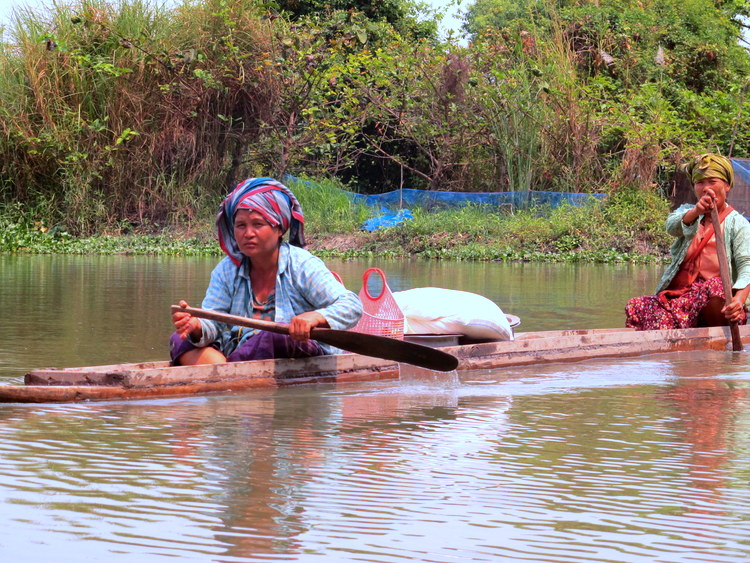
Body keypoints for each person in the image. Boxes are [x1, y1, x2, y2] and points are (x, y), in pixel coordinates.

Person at [170, 178, 363, 365]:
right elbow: (215, 323)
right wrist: (196, 326)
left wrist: (315, 317)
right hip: (239, 350)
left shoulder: (301, 264)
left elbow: (352, 305)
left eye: (258, 224)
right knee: (179, 339)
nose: (248, 234)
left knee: (275, 337)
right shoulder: (227, 270)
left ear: (279, 228)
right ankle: (232, 375)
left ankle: (224, 373)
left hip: (294, 348)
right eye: (241, 225)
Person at [625, 153, 750, 330]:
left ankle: (715, 332)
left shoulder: (739, 224)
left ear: (727, 185)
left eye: (712, 181)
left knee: (717, 285)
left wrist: (738, 301)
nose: (706, 188)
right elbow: (671, 226)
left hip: (718, 306)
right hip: (684, 300)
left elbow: (747, 266)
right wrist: (696, 211)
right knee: (637, 306)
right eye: (700, 183)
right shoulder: (688, 212)